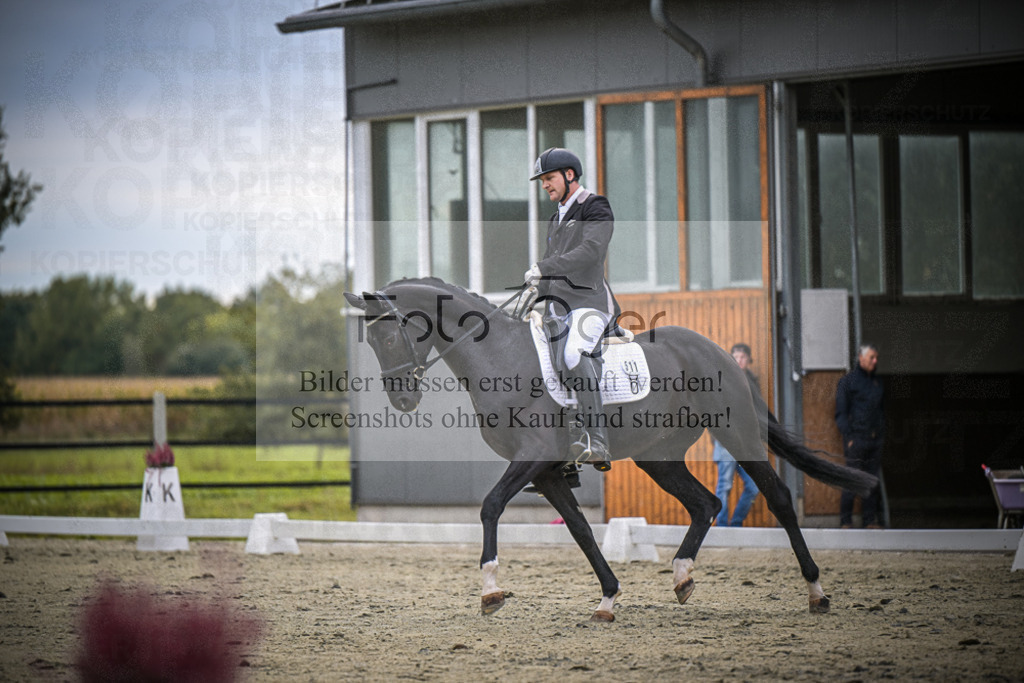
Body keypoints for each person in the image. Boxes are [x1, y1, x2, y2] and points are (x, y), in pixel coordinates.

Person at [524, 147, 620, 473]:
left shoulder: (595, 206)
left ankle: (597, 440)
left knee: (573, 354)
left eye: (549, 178)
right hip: (558, 308)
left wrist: (545, 267)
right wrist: (534, 292)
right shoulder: (556, 218)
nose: (544, 185)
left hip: (589, 303)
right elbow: (552, 270)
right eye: (542, 180)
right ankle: (565, 451)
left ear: (569, 175)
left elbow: (591, 251)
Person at [835, 344, 885, 529]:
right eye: (871, 357)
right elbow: (840, 413)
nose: (875, 361)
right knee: (852, 478)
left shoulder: (877, 382)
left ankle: (869, 520)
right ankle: (845, 521)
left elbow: (881, 411)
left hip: (875, 439)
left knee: (871, 480)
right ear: (861, 358)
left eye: (876, 358)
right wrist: (849, 437)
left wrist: (881, 434)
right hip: (856, 438)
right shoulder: (848, 382)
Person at [712, 343, 761, 526]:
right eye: (736, 357)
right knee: (724, 486)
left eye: (743, 357)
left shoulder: (753, 383)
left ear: (748, 360)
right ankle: (722, 527)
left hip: (746, 446)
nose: (739, 360)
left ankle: (736, 524)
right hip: (726, 443)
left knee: (754, 486)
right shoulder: (722, 380)